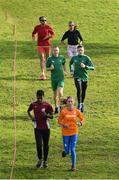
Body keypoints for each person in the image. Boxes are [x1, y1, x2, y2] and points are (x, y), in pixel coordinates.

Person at [27, 90, 53, 168]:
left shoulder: (47, 105)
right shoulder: (33, 104)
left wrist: (46, 115)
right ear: (36, 97)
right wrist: (32, 117)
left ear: (43, 97)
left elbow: (52, 116)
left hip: (46, 128)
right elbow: (28, 111)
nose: (39, 100)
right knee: (38, 144)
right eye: (38, 98)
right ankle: (40, 159)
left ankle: (45, 161)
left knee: (46, 145)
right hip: (37, 128)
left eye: (41, 98)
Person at [58, 96, 84, 171]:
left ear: (74, 102)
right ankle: (65, 151)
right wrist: (64, 125)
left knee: (72, 149)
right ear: (66, 102)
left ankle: (73, 166)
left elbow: (83, 119)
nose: (70, 103)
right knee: (67, 151)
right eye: (69, 101)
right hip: (65, 133)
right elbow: (59, 121)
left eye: (71, 101)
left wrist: (80, 123)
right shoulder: (63, 111)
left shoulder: (76, 111)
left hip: (74, 132)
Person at [70, 45, 94, 112]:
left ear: (83, 51)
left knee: (83, 91)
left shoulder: (86, 58)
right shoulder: (74, 58)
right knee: (79, 90)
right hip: (77, 76)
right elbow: (71, 64)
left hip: (84, 77)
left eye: (81, 50)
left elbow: (92, 67)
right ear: (77, 51)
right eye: (79, 50)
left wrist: (85, 66)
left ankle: (82, 103)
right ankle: (79, 104)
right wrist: (71, 71)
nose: (80, 51)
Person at [32, 16, 55, 80]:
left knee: (48, 58)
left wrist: (48, 37)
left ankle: (50, 70)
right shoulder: (37, 27)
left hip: (47, 45)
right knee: (42, 57)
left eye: (45, 20)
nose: (44, 21)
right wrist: (33, 37)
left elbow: (53, 34)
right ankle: (42, 73)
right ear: (40, 21)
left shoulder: (48, 27)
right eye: (42, 20)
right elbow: (33, 33)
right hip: (40, 45)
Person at [46, 46, 67, 114]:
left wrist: (65, 71)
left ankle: (61, 107)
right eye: (55, 50)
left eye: (57, 50)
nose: (56, 52)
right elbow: (47, 68)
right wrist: (50, 68)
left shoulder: (62, 58)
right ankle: (56, 106)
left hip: (61, 78)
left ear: (58, 51)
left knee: (60, 93)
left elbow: (64, 64)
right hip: (54, 79)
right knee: (55, 94)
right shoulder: (50, 59)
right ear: (52, 51)